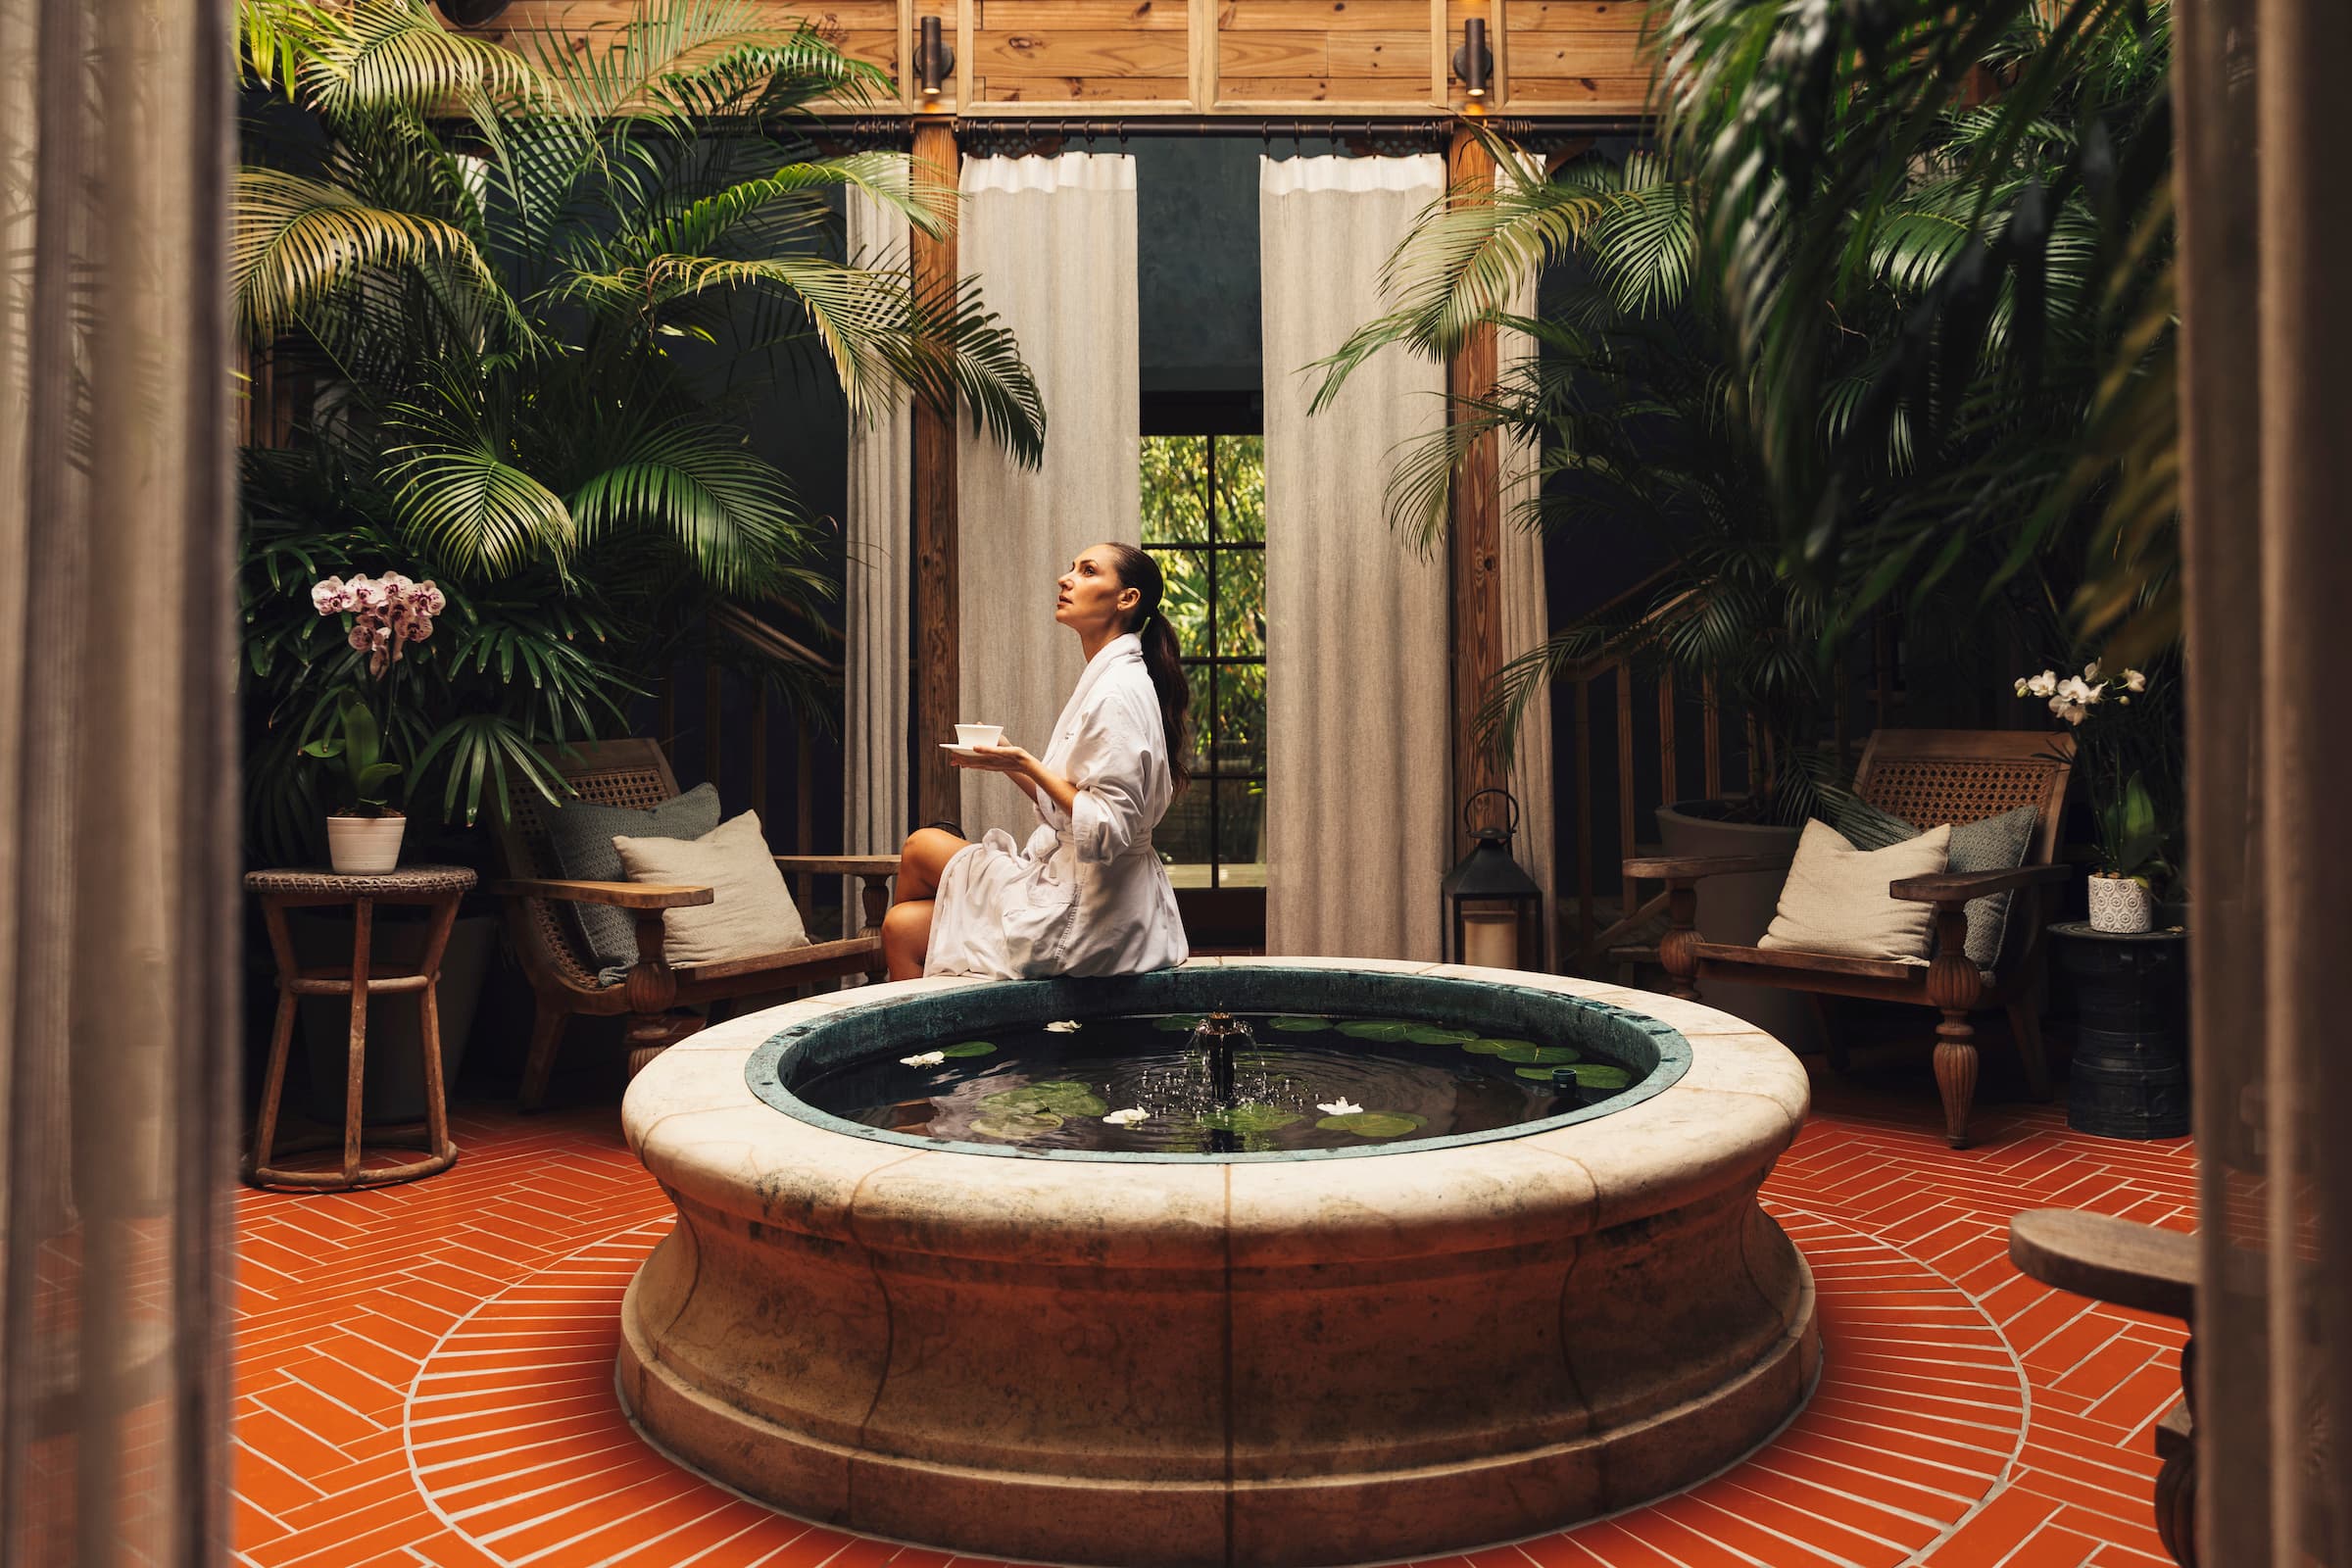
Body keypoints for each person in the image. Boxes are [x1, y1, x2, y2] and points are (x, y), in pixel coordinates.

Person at [883, 542, 1192, 981]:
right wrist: (1008, 763)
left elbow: (1107, 829)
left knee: (911, 883)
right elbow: (1077, 803)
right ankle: (922, 1034)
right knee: (904, 908)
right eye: (1071, 568)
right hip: (1083, 886)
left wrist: (1027, 763)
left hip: (1091, 913)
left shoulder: (1117, 693)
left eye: (1087, 571)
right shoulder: (1112, 678)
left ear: (1127, 598)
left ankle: (919, 1026)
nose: (1066, 579)